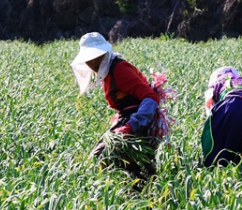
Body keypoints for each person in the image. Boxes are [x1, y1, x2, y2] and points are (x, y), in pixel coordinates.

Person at [71, 32, 170, 182]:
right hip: (130, 118)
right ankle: (138, 195)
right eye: (87, 59)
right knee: (133, 168)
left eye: (93, 57)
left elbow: (151, 97)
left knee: (100, 157)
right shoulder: (109, 70)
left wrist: (131, 125)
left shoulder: (119, 69)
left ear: (103, 54)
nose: (90, 63)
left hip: (137, 120)